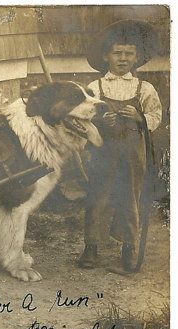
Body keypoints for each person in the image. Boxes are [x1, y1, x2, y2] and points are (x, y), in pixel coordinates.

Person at [79, 20, 162, 273]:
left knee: (130, 197)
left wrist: (139, 118)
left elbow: (156, 116)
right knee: (98, 196)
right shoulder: (95, 87)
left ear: (137, 57)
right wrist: (101, 120)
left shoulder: (144, 88)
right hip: (103, 152)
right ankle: (91, 247)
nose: (123, 59)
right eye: (117, 53)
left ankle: (128, 247)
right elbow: (84, 117)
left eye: (129, 54)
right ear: (106, 56)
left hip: (132, 154)